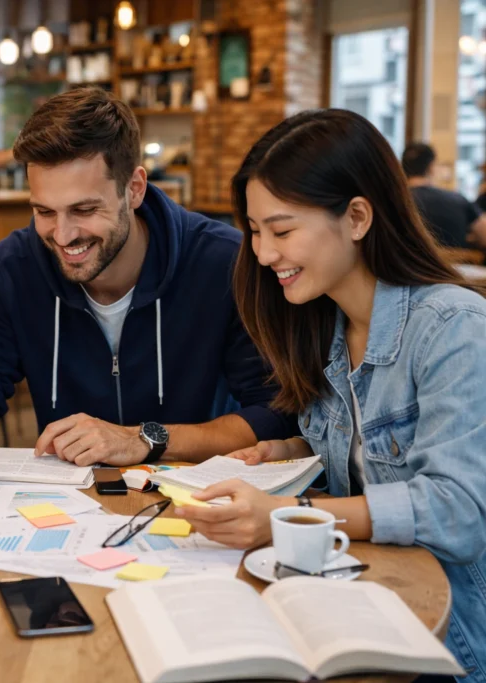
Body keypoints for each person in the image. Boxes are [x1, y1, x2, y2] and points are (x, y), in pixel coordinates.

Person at [176, 109, 486, 679]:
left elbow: (458, 510)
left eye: (282, 230)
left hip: (451, 649)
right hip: (369, 610)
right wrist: (291, 453)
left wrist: (291, 515)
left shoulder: (455, 326)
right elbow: (371, 455)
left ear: (358, 217)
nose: (264, 254)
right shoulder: (329, 328)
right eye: (254, 230)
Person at [0, 88, 296, 488]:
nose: (63, 236)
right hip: (67, 509)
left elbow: (274, 412)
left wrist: (141, 439)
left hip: (192, 501)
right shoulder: (13, 267)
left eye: (84, 210)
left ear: (134, 188)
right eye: (44, 212)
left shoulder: (222, 262)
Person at [402, 141, 486, 249]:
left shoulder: (392, 201)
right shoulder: (458, 200)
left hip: (405, 264)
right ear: (431, 167)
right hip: (455, 264)